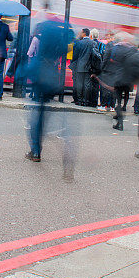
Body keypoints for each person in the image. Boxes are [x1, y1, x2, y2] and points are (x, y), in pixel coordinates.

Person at [26, 14, 74, 172]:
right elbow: (70, 38)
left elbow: (34, 57)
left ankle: (35, 151)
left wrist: (19, 72)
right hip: (53, 77)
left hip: (41, 77)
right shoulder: (60, 39)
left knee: (36, 117)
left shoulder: (42, 34)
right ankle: (64, 145)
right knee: (47, 113)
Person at [99, 32, 137, 130]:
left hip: (118, 76)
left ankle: (119, 122)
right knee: (125, 95)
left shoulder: (114, 48)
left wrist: (102, 70)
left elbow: (106, 59)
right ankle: (121, 111)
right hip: (129, 77)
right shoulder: (132, 50)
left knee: (118, 100)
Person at [70, 28, 96, 106]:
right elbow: (94, 56)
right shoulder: (93, 43)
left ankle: (80, 100)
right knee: (87, 85)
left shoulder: (79, 43)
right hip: (89, 67)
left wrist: (73, 63)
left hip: (80, 66)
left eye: (81, 32)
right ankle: (85, 101)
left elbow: (75, 55)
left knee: (79, 84)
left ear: (84, 33)